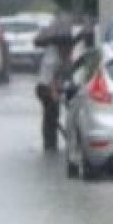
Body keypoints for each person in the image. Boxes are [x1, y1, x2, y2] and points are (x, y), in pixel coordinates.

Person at [36, 18, 81, 152]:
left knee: (60, 111)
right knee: (51, 114)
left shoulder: (64, 55)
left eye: (70, 49)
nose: (69, 51)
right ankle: (49, 143)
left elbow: (67, 73)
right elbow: (49, 81)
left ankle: (67, 137)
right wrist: (54, 94)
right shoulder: (52, 59)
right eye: (68, 49)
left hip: (57, 84)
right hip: (44, 88)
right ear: (61, 47)